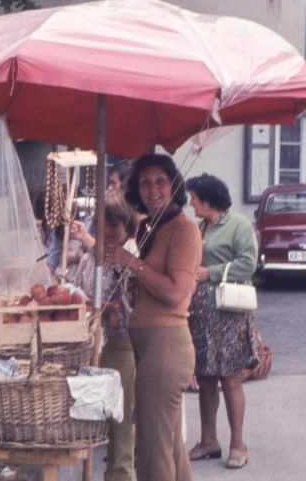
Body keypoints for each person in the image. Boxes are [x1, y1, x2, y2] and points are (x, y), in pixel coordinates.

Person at [106, 153, 201, 481]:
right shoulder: (151, 227)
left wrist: (132, 262)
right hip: (150, 346)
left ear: (174, 185)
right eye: (145, 182)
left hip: (167, 347)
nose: (152, 188)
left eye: (160, 180)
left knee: (152, 445)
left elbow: (176, 292)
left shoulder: (184, 230)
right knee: (170, 444)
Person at [184, 173, 260, 470]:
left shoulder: (238, 225)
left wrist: (209, 273)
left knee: (229, 378)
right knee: (204, 378)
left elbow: (248, 263)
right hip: (202, 316)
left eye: (194, 198)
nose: (190, 202)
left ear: (208, 199)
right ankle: (208, 441)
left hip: (228, 315)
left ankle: (238, 444)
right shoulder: (201, 228)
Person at [68, 193, 139, 481]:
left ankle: (119, 476)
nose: (109, 231)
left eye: (115, 225)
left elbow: (128, 302)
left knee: (121, 418)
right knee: (91, 414)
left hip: (123, 345)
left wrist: (102, 307)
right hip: (92, 345)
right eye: (102, 224)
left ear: (126, 224)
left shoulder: (132, 256)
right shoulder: (89, 260)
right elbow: (76, 295)